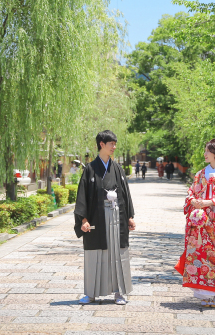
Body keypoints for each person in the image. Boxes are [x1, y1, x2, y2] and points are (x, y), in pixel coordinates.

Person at [175, 139, 215, 308]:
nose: (204, 154)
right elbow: (191, 192)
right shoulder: (200, 174)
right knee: (201, 256)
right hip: (201, 222)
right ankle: (204, 294)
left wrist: (209, 202)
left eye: (207, 151)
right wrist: (194, 202)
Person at [74, 130, 136, 305]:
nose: (114, 147)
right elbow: (82, 196)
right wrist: (83, 220)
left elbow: (125, 193)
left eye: (115, 144)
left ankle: (120, 293)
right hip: (97, 218)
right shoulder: (90, 169)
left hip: (117, 216)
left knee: (119, 253)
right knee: (95, 254)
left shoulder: (117, 169)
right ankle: (91, 294)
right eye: (112, 144)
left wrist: (130, 216)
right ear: (102, 144)